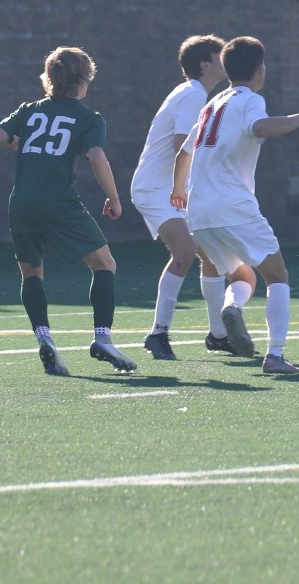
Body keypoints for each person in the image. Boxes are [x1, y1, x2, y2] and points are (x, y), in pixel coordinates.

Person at [169, 36, 299, 375]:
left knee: (242, 274)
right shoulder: (250, 100)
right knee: (277, 275)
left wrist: (178, 189)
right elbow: (260, 128)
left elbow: (184, 152)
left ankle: (231, 308)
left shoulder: (212, 104)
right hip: (232, 205)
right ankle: (275, 355)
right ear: (260, 69)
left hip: (199, 210)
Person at [0, 47, 137, 377]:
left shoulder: (30, 110)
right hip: (60, 202)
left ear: (49, 79)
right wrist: (114, 197)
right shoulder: (89, 117)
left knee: (31, 274)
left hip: (22, 202)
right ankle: (102, 339)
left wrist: (17, 143)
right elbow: (96, 157)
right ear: (83, 80)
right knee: (104, 264)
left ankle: (45, 338)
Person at [129, 35, 254, 361]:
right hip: (158, 188)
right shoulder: (192, 94)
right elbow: (182, 146)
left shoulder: (199, 95)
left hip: (175, 188)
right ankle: (158, 334)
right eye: (219, 54)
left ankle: (218, 335)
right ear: (205, 64)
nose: (225, 58)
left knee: (211, 258)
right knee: (184, 251)